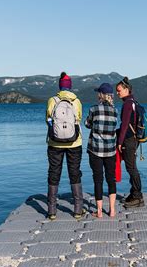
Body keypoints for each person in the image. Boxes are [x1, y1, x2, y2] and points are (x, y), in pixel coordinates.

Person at [46, 72, 86, 220]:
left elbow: (48, 119)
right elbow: (79, 119)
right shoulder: (76, 101)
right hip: (74, 142)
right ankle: (78, 210)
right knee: (74, 172)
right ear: (70, 86)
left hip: (55, 143)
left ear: (59, 86)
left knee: (54, 172)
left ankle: (51, 211)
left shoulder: (52, 100)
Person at [85, 83, 118, 217]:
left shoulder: (94, 109)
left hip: (96, 149)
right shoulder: (115, 111)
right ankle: (112, 210)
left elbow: (87, 124)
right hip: (110, 150)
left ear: (101, 94)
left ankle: (99, 211)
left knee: (98, 179)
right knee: (111, 178)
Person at [116, 77, 144, 208]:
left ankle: (138, 197)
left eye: (119, 90)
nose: (117, 93)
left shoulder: (127, 104)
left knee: (131, 168)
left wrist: (120, 142)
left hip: (129, 140)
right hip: (134, 139)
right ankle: (134, 193)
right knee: (132, 166)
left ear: (126, 90)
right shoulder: (133, 102)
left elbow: (125, 124)